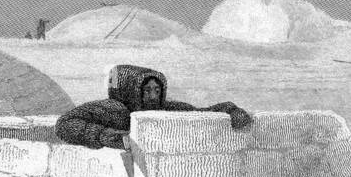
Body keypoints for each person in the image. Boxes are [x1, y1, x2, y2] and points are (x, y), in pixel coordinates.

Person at [55, 63, 251, 150]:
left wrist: (230, 109)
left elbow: (201, 113)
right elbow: (65, 124)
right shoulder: (114, 110)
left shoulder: (166, 109)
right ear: (133, 90)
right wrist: (104, 136)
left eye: (157, 91)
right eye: (147, 90)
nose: (152, 96)